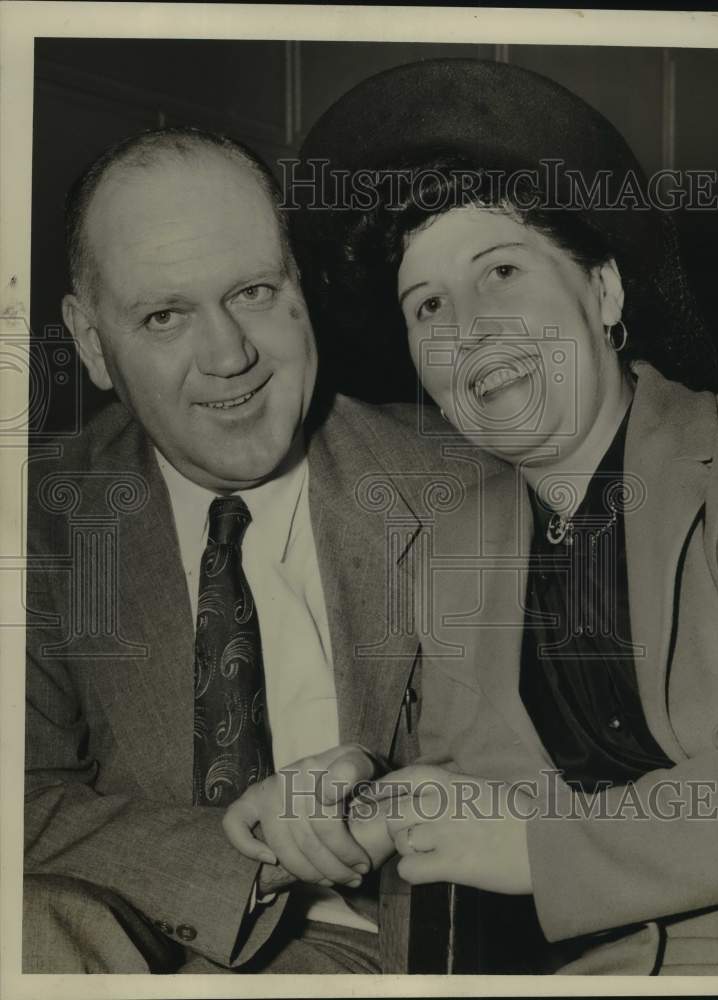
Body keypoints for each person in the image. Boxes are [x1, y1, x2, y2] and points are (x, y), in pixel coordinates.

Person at [292, 58, 718, 975]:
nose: (466, 328)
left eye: (500, 269)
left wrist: (542, 851)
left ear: (604, 293)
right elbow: (476, 787)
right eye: (428, 306)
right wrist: (359, 803)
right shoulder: (455, 545)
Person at [23, 125, 490, 973]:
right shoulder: (39, 524)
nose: (229, 355)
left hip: (372, 947)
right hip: (108, 938)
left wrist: (366, 783)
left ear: (300, 287)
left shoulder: (460, 487)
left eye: (252, 293)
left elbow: (529, 763)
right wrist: (251, 851)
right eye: (164, 315)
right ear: (92, 345)